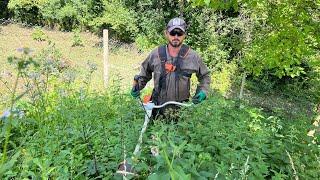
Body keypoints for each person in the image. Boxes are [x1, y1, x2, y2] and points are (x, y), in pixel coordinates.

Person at [131, 17, 211, 119]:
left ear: (184, 35)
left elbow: (205, 76)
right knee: (156, 134)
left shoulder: (193, 56)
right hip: (157, 108)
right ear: (166, 33)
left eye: (179, 33)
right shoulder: (156, 54)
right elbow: (144, 73)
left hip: (182, 110)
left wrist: (203, 91)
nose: (176, 36)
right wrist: (137, 87)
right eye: (173, 33)